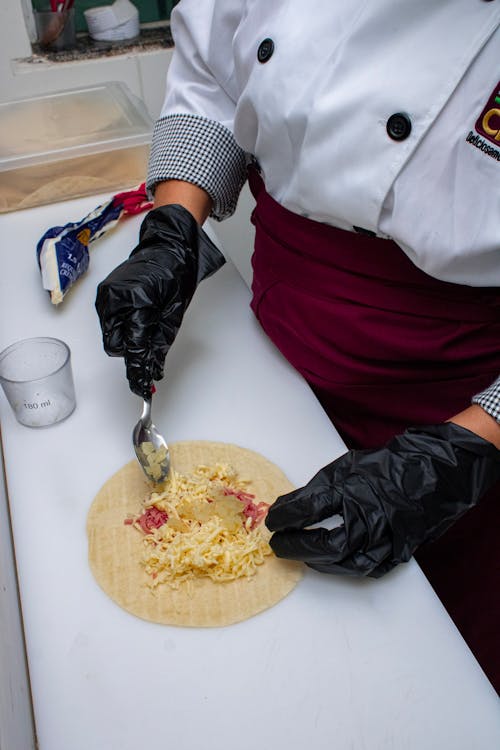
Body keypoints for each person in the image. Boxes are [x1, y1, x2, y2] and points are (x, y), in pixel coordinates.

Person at [95, 1, 500, 690]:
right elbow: (218, 86)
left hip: (462, 391)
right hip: (281, 344)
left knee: (428, 674)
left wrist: (476, 441)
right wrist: (173, 226)